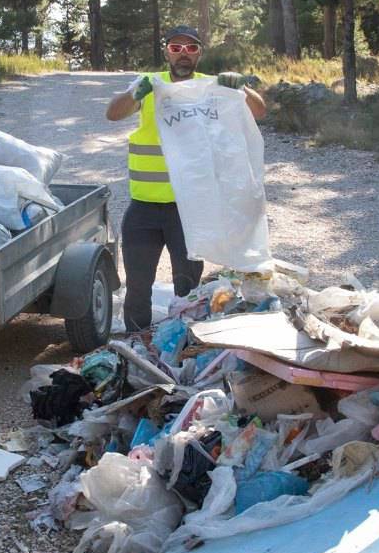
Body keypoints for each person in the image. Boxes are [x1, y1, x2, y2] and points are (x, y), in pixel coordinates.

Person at [105, 26, 266, 332]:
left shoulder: (212, 87)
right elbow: (113, 113)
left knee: (188, 289)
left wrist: (241, 89)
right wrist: (134, 93)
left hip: (189, 211)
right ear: (166, 51)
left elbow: (259, 111)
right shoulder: (150, 85)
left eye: (190, 49)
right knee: (138, 287)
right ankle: (136, 347)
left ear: (199, 54)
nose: (183, 54)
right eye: (176, 48)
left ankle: (184, 344)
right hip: (144, 208)